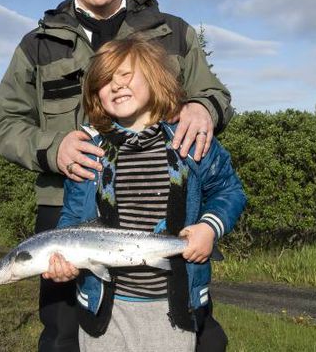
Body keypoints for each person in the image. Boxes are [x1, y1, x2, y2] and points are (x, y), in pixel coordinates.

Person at [0, 0, 234, 352]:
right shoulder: (37, 44)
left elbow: (214, 92)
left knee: (193, 326)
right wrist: (53, 149)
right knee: (68, 332)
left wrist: (202, 106)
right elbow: (3, 125)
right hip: (69, 206)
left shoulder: (172, 31)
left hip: (164, 202)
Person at [43, 37, 247, 351]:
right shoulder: (87, 150)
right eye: (105, 81)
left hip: (170, 310)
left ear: (155, 78)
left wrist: (209, 227)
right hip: (103, 311)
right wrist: (62, 258)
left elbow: (229, 190)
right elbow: (72, 218)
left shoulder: (189, 139)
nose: (115, 86)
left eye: (126, 76)